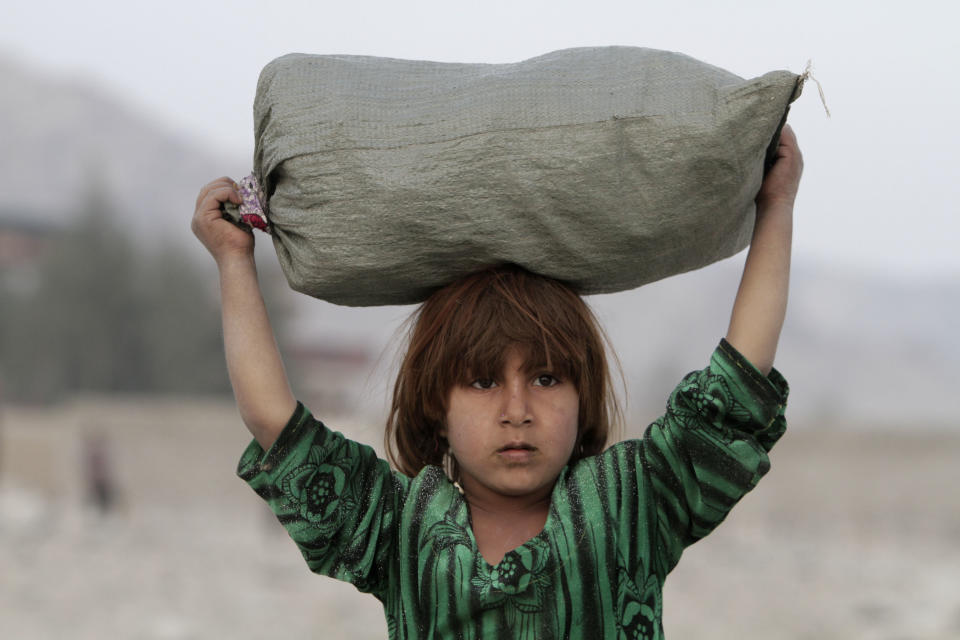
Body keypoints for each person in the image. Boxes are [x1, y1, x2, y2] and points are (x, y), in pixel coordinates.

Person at [192, 126, 802, 639]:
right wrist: (234, 261)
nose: (518, 409)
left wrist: (775, 208)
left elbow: (736, 384)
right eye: (483, 383)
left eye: (545, 377)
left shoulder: (634, 502)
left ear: (583, 397)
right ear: (437, 407)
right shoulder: (398, 529)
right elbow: (275, 421)